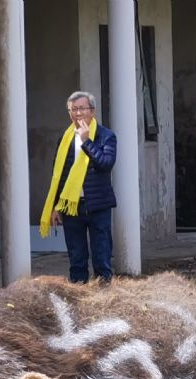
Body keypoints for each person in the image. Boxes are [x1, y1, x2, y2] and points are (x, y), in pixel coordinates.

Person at [39, 90, 117, 283]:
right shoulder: (65, 138)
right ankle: (78, 295)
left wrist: (86, 141)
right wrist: (56, 206)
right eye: (73, 109)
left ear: (92, 111)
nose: (78, 113)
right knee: (77, 260)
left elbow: (106, 164)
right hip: (71, 207)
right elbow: (59, 175)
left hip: (98, 206)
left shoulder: (106, 136)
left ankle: (103, 295)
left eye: (82, 108)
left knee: (102, 258)